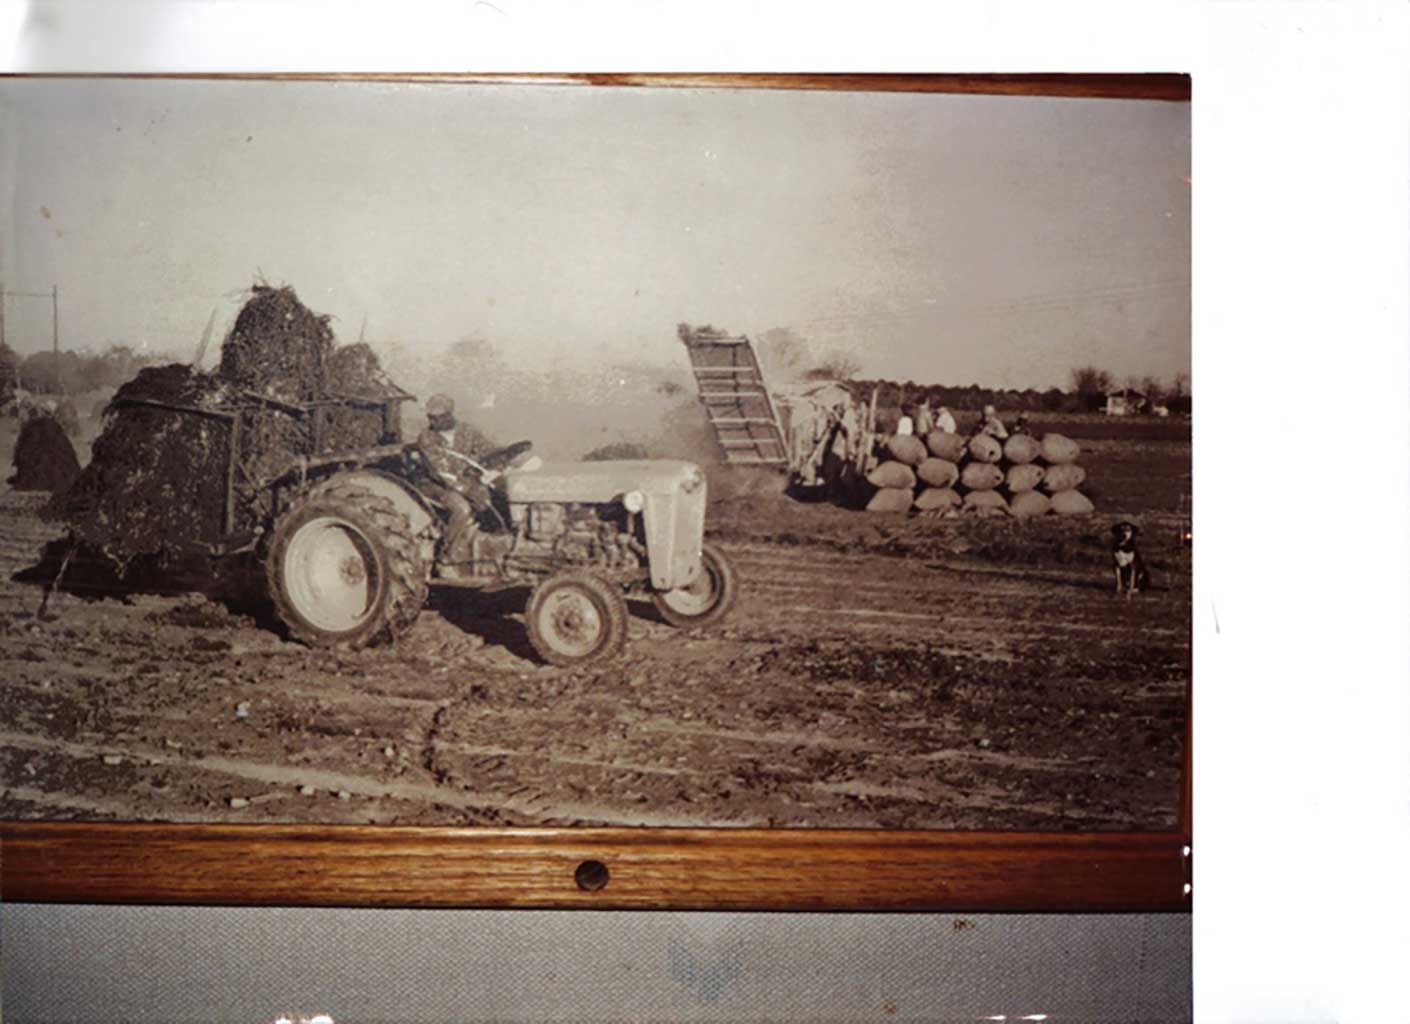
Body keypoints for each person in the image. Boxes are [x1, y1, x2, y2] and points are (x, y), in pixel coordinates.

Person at [416, 393, 494, 568]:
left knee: (491, 500)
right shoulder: (427, 438)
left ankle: (486, 547)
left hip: (465, 482)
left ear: (450, 414)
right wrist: (466, 488)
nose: (435, 422)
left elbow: (488, 450)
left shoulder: (467, 432)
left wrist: (508, 460)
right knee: (461, 508)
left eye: (440, 417)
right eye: (431, 417)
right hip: (434, 485)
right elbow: (440, 471)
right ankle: (446, 556)